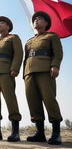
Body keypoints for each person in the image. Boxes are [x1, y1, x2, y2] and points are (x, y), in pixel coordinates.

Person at [24, 11, 63, 145]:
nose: (36, 20)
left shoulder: (52, 36)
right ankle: (39, 133)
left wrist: (55, 66)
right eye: (34, 19)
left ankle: (56, 133)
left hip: (46, 71)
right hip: (29, 73)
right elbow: (26, 58)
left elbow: (58, 53)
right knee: (33, 102)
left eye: (40, 19)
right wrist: (25, 73)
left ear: (46, 23)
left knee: (49, 99)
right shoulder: (29, 41)